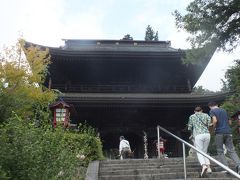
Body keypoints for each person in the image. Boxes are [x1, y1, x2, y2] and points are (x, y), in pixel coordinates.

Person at [208, 101, 240, 174]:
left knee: (220, 151)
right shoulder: (224, 110)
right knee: (231, 150)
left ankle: (226, 168)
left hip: (219, 132)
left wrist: (212, 128)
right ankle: (239, 165)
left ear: (210, 106)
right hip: (228, 132)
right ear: (217, 105)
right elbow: (230, 122)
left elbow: (215, 120)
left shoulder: (212, 111)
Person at [188, 106, 212, 177]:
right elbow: (210, 124)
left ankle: (204, 165)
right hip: (207, 134)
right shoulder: (206, 115)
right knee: (205, 151)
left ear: (194, 111)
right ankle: (209, 167)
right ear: (202, 110)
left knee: (199, 151)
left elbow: (189, 127)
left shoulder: (192, 116)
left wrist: (191, 134)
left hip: (198, 135)